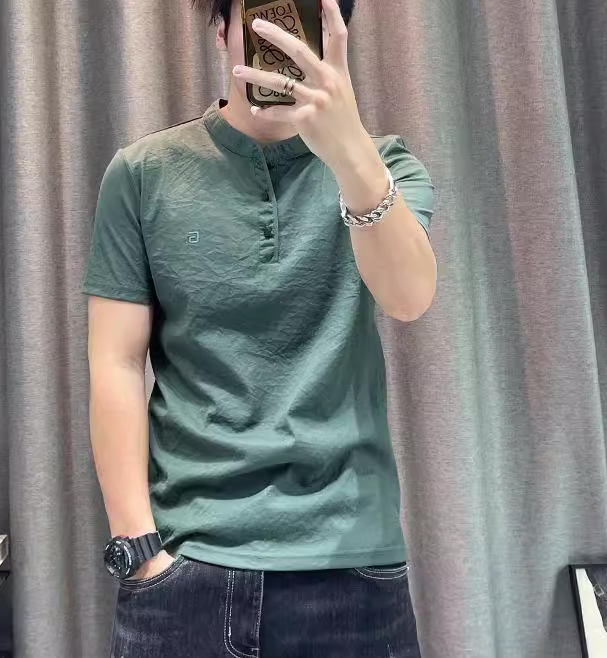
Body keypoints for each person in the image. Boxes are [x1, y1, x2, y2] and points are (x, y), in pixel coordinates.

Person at [82, 0, 437, 655]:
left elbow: (409, 297)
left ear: (334, 38)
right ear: (223, 30)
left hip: (351, 566)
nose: (282, 41)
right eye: (264, 18)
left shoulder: (385, 166)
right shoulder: (141, 175)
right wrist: (138, 550)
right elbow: (116, 364)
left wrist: (350, 152)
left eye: (301, 21)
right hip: (184, 569)